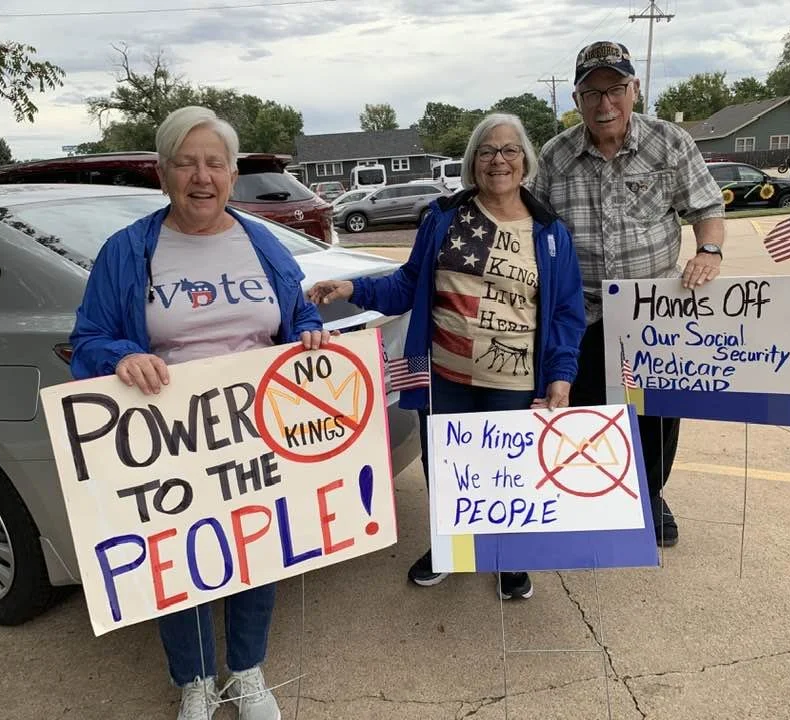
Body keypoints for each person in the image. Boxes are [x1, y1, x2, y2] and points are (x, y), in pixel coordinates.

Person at [70, 105, 332, 720]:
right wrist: (121, 357)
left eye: (214, 163)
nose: (201, 176)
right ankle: (193, 680)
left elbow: (299, 316)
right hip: (168, 437)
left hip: (257, 429)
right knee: (176, 558)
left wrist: (311, 334)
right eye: (185, 163)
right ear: (161, 173)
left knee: (256, 550)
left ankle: (246, 672)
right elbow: (87, 341)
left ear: (233, 172)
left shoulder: (261, 241)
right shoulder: (129, 250)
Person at [307, 113, 586, 600]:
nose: (499, 160)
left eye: (510, 150)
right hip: (442, 374)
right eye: (487, 151)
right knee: (447, 469)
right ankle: (451, 546)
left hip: (514, 380)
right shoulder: (445, 217)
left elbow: (566, 311)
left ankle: (507, 555)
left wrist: (560, 375)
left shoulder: (549, 232)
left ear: (525, 162)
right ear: (472, 162)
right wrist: (352, 286)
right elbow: (409, 284)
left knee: (505, 471)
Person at [531, 41, 726, 548]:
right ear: (575, 98)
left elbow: (707, 206)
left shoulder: (670, 142)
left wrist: (708, 251)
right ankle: (594, 494)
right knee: (588, 410)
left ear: (634, 89)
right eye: (591, 92)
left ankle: (651, 494)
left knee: (657, 413)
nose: (604, 103)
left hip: (654, 313)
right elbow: (528, 223)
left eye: (615, 89)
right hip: (584, 312)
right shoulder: (555, 157)